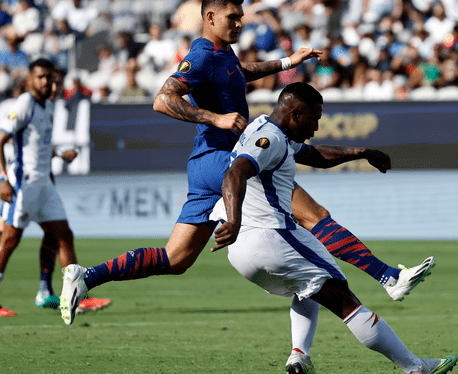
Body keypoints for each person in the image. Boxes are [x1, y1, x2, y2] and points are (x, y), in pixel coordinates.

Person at [59, 0, 432, 326]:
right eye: (232, 17)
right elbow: (163, 99)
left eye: (241, 18)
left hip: (207, 164)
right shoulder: (203, 53)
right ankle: (387, 278)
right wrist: (214, 118)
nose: (239, 23)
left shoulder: (223, 55)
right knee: (312, 214)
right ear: (209, 17)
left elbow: (240, 73)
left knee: (175, 259)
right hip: (226, 158)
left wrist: (288, 61)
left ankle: (86, 276)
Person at [209, 83, 458, 374]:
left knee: (310, 288)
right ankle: (415, 367)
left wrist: (362, 152)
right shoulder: (271, 138)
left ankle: (299, 357)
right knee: (343, 297)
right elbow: (235, 172)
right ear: (296, 113)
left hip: (241, 252)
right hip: (270, 237)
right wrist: (234, 220)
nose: (316, 126)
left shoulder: (268, 127)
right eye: (314, 118)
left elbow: (314, 156)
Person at [0, 60, 109, 317]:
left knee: (62, 235)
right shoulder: (24, 104)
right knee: (9, 240)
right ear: (30, 80)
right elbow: (1, 140)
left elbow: (38, 146)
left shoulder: (47, 106)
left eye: (50, 78)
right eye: (41, 77)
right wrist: (2, 179)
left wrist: (59, 153)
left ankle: (72, 297)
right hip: (23, 184)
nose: (48, 82)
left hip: (44, 184)